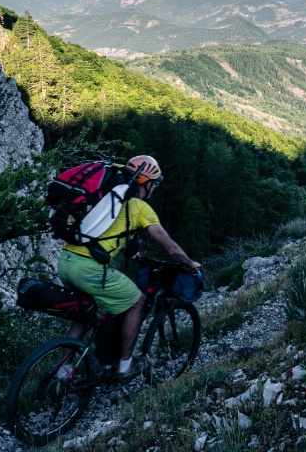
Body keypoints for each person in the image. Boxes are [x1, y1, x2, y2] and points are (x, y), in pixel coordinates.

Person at [56, 155, 201, 381]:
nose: (154, 188)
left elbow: (105, 231)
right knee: (137, 302)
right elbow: (170, 248)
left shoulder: (106, 198)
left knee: (85, 315)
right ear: (147, 183)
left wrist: (132, 253)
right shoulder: (139, 207)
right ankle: (125, 366)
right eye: (154, 183)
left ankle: (62, 372)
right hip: (88, 269)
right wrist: (190, 263)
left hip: (65, 262)